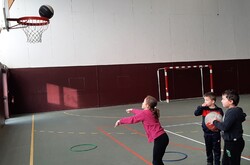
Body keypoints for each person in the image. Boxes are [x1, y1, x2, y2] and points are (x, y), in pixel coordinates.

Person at [114, 95, 169, 165]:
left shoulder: (145, 113)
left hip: (160, 139)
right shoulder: (150, 111)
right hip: (162, 138)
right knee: (157, 161)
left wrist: (120, 121)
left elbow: (133, 119)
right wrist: (132, 110)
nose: (142, 103)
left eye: (143, 102)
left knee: (156, 162)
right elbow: (140, 112)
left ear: (147, 106)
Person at [212, 89, 246, 165]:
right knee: (225, 162)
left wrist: (215, 122)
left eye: (223, 99)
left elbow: (225, 127)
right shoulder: (235, 111)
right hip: (230, 143)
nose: (221, 101)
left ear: (231, 101)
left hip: (233, 144)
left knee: (232, 162)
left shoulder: (233, 112)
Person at [194, 92, 224, 165]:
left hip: (215, 133)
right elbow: (196, 113)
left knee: (216, 149)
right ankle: (209, 161)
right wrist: (201, 107)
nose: (205, 102)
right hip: (207, 133)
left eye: (207, 100)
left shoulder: (219, 110)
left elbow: (220, 121)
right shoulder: (204, 109)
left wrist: (218, 129)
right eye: (204, 100)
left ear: (213, 101)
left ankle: (217, 162)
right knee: (208, 148)